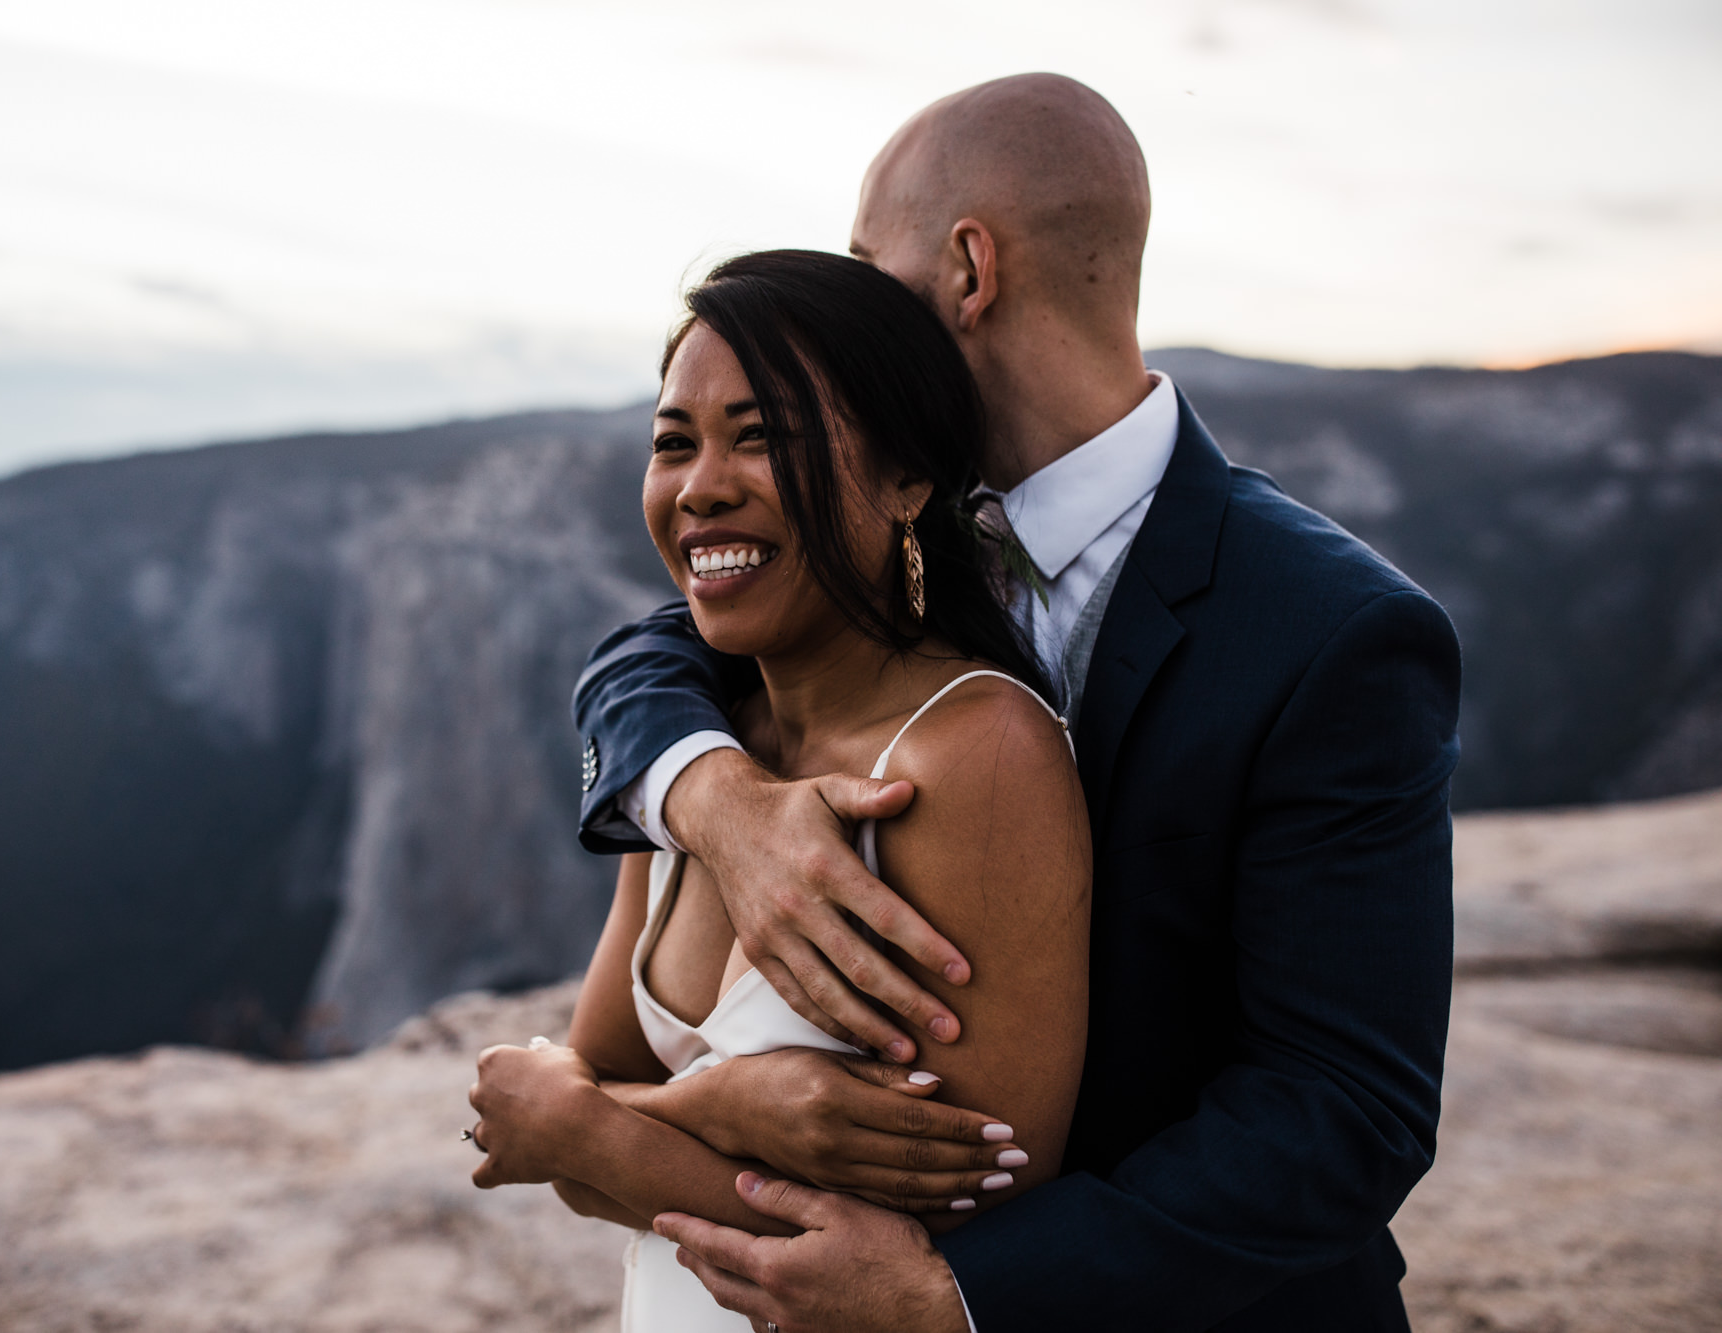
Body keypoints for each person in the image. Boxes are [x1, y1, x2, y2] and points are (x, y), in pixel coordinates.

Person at [565, 74, 1460, 1331]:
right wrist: (710, 797)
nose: (846, 311)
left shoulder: (1331, 631)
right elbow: (646, 654)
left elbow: (1344, 1107)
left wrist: (961, 1295)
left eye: (870, 269)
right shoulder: (879, 535)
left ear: (968, 272)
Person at [465, 248, 1093, 1329]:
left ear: (905, 479)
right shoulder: (692, 767)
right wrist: (698, 1111)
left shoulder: (972, 759)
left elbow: (954, 1254)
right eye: (674, 443)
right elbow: (571, 1150)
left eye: (762, 439)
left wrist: (599, 1128)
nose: (701, 485)